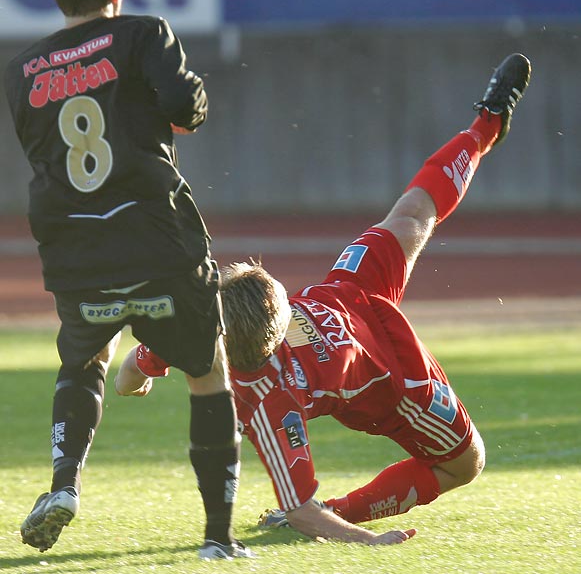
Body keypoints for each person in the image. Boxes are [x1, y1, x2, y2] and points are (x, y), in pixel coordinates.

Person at [116, 52, 531, 545]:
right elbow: (302, 511)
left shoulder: (200, 325)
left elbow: (126, 377)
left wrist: (140, 374)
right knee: (467, 463)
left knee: (414, 214)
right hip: (395, 376)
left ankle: (487, 125)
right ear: (279, 324)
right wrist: (368, 541)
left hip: (352, 292)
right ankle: (348, 510)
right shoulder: (271, 404)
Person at [3, 0, 251, 560]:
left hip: (73, 247)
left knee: (83, 360)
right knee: (207, 370)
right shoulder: (143, 35)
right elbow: (186, 107)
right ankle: (217, 539)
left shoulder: (22, 70)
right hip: (155, 234)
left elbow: (45, 151)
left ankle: (63, 485)